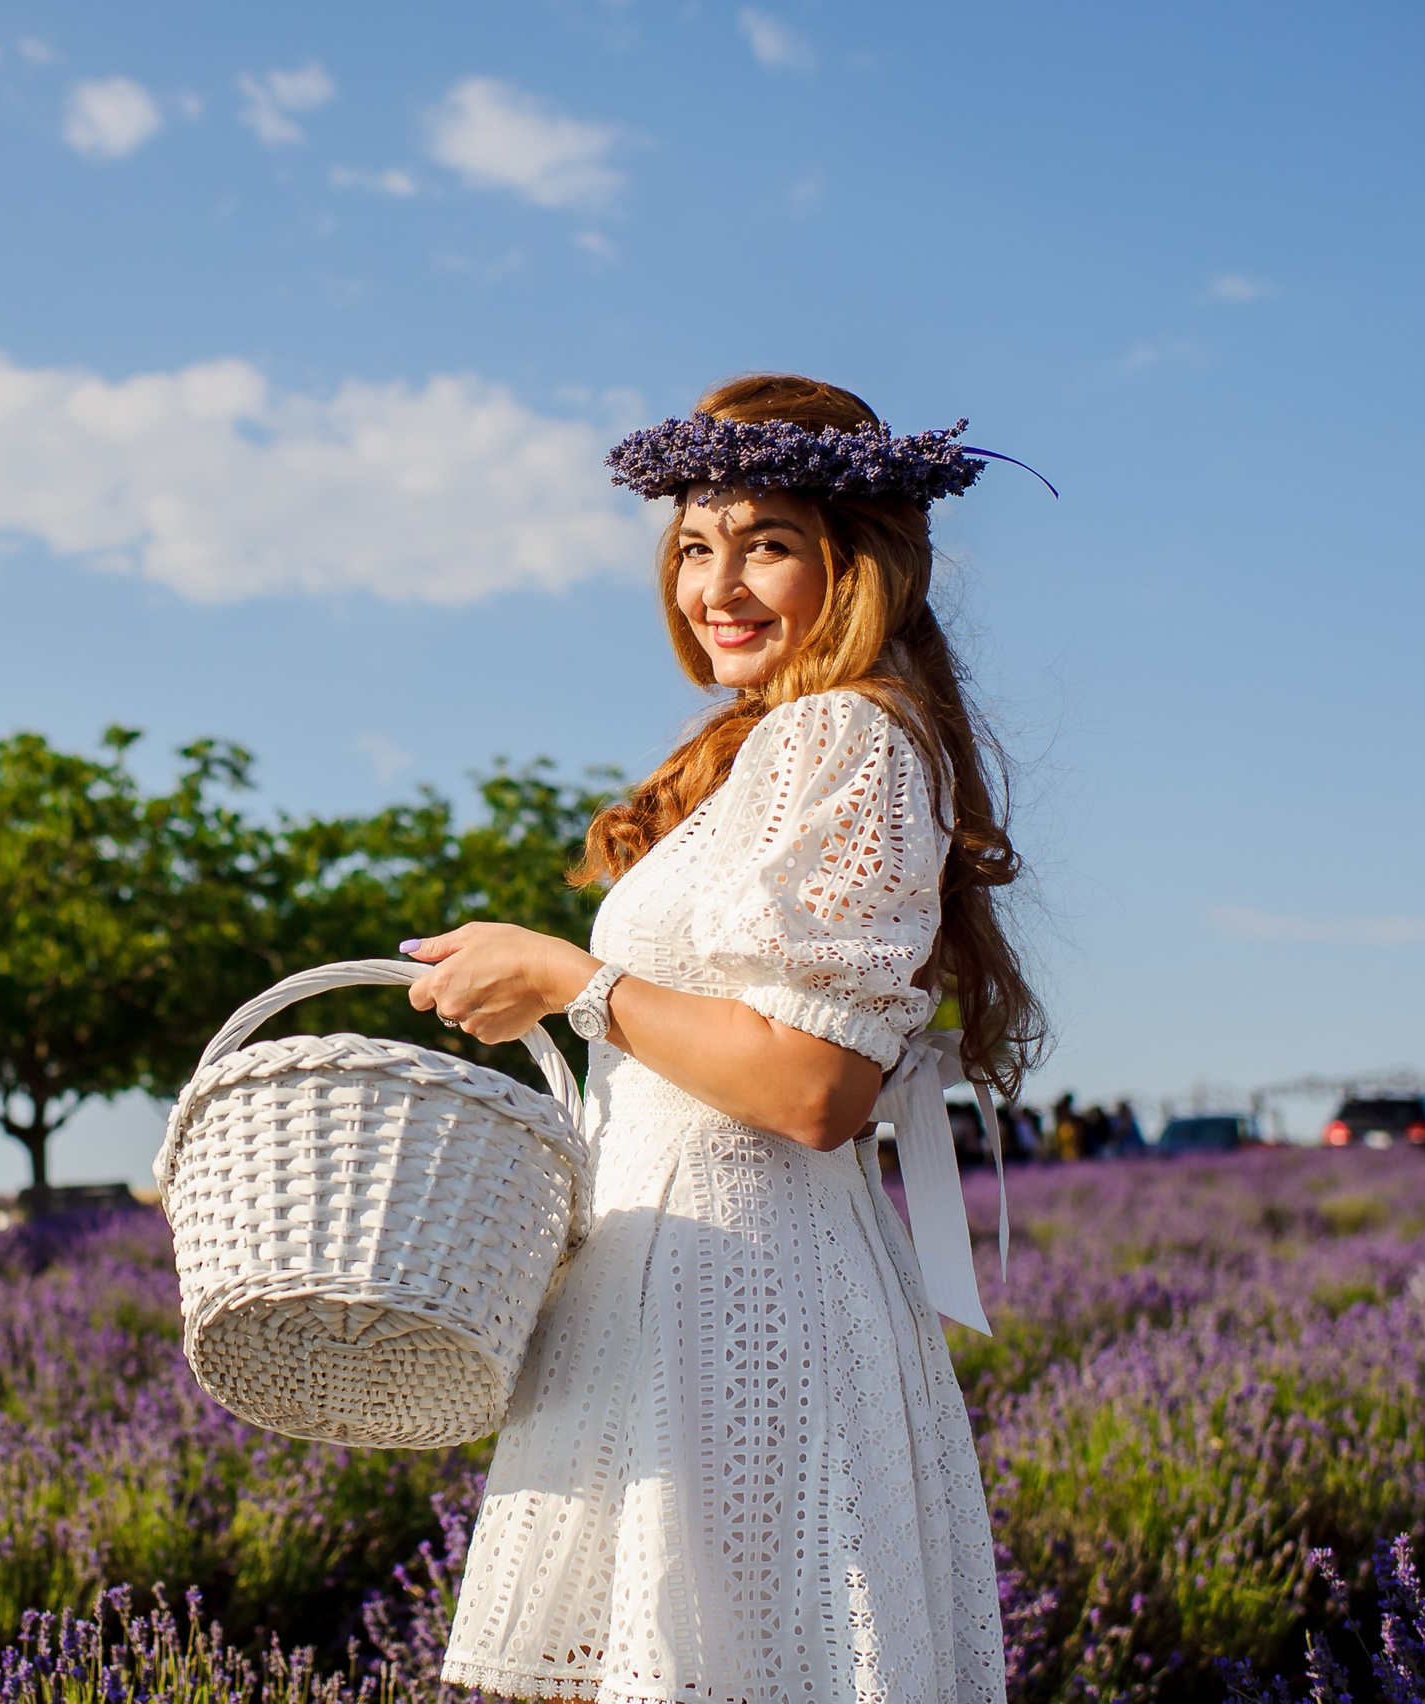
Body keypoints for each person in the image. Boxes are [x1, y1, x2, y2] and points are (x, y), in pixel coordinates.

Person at [399, 375, 1044, 1704]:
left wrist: (577, 982)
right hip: (687, 1289)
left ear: (856, 561)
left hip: (743, 1299)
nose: (719, 585)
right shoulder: (773, 743)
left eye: (767, 544)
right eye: (696, 546)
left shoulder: (839, 731)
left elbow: (814, 1084)